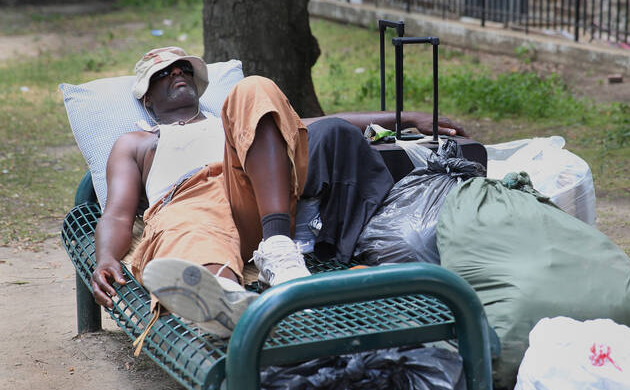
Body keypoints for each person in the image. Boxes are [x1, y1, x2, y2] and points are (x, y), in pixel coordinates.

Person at [90, 46, 466, 337]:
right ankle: (224, 298)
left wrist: (406, 118)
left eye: (183, 68)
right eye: (163, 73)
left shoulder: (235, 118)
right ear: (147, 98)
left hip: (253, 196)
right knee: (189, 228)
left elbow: (309, 126)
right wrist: (106, 257)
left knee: (255, 87)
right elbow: (118, 213)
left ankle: (278, 249)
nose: (177, 74)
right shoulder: (136, 142)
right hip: (187, 202)